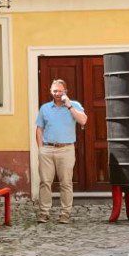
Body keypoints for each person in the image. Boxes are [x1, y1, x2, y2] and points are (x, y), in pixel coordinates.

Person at [35, 79, 88, 224]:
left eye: (60, 91)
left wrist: (69, 105)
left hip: (66, 149)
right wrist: (40, 149)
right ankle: (44, 212)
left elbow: (83, 121)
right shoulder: (45, 108)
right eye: (55, 91)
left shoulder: (74, 105)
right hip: (47, 148)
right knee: (45, 182)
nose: (57, 94)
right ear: (50, 92)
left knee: (66, 182)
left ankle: (65, 213)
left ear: (66, 91)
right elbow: (39, 129)